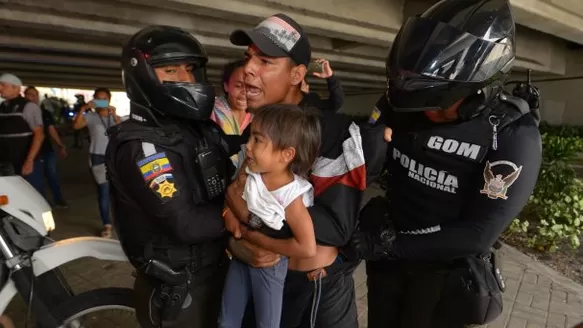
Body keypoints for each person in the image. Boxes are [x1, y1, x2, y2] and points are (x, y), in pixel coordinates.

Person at [351, 0, 543, 327]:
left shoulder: (512, 135)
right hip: (388, 260)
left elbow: (478, 233)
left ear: (479, 92)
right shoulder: (405, 101)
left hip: (445, 274)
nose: (425, 111)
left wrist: (390, 247)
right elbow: (366, 166)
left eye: (439, 104)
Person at [224, 13, 386, 328]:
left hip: (314, 290)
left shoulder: (332, 132)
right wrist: (236, 244)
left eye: (266, 61)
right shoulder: (259, 127)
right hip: (259, 279)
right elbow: (232, 198)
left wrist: (249, 218)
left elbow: (332, 227)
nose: (248, 69)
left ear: (298, 74)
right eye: (249, 58)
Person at [105, 25, 235, 328]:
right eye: (170, 70)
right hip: (180, 288)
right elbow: (187, 224)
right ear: (143, 75)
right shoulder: (143, 147)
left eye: (189, 69)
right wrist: (248, 215)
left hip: (215, 270)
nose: (186, 79)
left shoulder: (195, 129)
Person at [219, 104, 320, 328]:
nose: (248, 145)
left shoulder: (290, 196)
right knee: (227, 320)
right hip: (240, 257)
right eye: (250, 138)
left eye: (257, 140)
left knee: (267, 324)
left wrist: (261, 241)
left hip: (269, 265)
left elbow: (307, 248)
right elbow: (230, 196)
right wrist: (232, 219)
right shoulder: (251, 173)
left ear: (286, 154)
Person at [73, 88, 120, 238]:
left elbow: (123, 133)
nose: (101, 101)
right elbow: (76, 126)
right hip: (98, 157)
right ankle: (107, 224)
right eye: (98, 99)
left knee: (119, 191)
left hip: (116, 157)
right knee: (104, 190)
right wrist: (83, 108)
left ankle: (122, 221)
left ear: (109, 99)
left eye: (104, 98)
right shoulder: (91, 117)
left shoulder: (115, 117)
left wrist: (115, 116)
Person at [24, 86, 68, 208]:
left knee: (52, 175)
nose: (32, 98)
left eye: (34, 95)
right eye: (29, 95)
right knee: (35, 180)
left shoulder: (44, 113)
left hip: (46, 150)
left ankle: (59, 200)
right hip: (29, 152)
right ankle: (41, 204)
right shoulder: (21, 112)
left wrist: (60, 145)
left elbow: (51, 129)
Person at [0, 73, 45, 192]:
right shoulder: (3, 107)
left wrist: (29, 160)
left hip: (24, 161)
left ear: (16, 88)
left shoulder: (29, 107)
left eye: (3, 85)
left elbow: (39, 135)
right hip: (6, 163)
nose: (0, 88)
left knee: (32, 193)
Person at [211, 59, 252, 168]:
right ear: (226, 86)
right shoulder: (211, 112)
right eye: (238, 86)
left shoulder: (258, 118)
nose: (245, 92)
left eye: (250, 86)